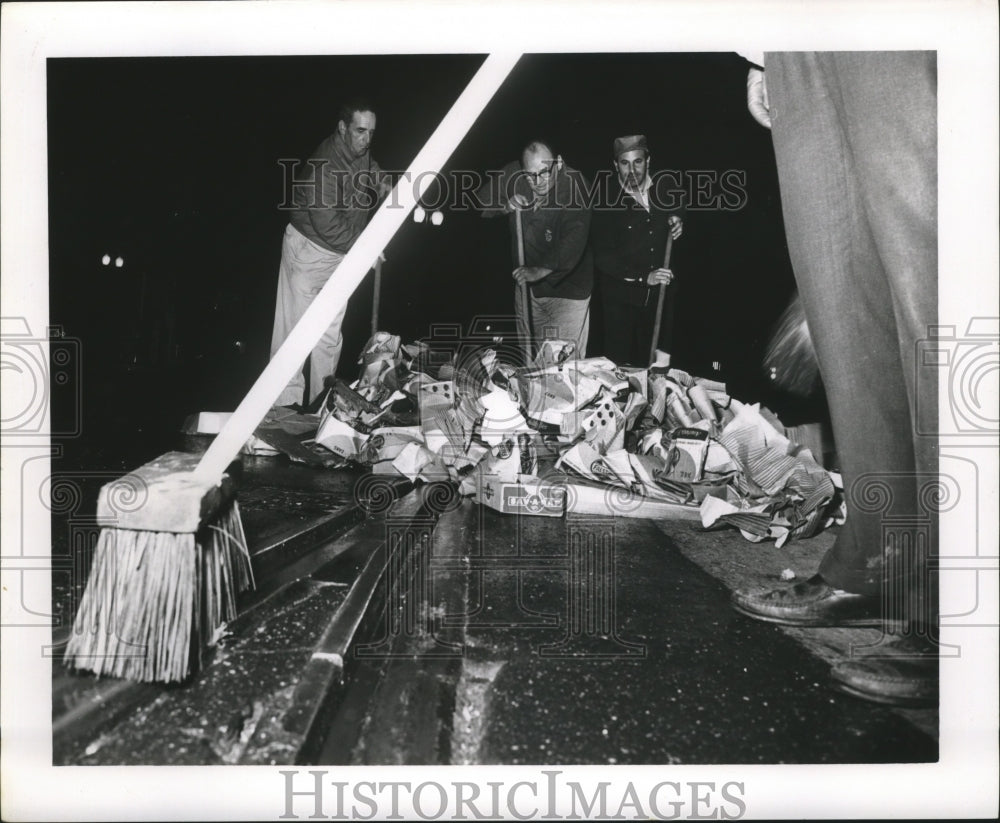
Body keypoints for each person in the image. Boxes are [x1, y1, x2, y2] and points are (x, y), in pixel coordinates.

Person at [731, 52, 939, 708]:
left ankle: (957, 595)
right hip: (800, 41)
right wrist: (761, 44)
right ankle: (877, 562)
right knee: (838, 289)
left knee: (934, 271)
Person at [271, 100, 387, 408]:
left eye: (371, 132)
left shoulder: (360, 151)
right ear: (342, 128)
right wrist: (365, 251)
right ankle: (285, 405)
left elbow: (369, 167)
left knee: (329, 335)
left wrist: (384, 182)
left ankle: (321, 402)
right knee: (294, 334)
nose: (367, 138)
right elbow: (327, 224)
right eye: (361, 131)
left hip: (341, 256)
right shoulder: (324, 164)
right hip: (308, 252)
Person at [474, 140, 593, 359]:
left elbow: (574, 240)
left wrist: (539, 270)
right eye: (530, 175)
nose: (537, 181)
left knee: (562, 369)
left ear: (557, 163)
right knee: (532, 364)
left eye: (544, 172)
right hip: (528, 291)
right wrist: (505, 206)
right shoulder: (514, 174)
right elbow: (480, 202)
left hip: (568, 294)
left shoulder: (575, 185)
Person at [590, 134, 684, 366]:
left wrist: (678, 218)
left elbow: (679, 206)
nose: (632, 170)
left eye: (638, 161)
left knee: (660, 366)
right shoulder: (604, 200)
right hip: (621, 301)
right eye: (624, 163)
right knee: (620, 371)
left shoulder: (666, 186)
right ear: (615, 165)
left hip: (661, 299)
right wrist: (644, 277)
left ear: (648, 161)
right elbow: (603, 257)